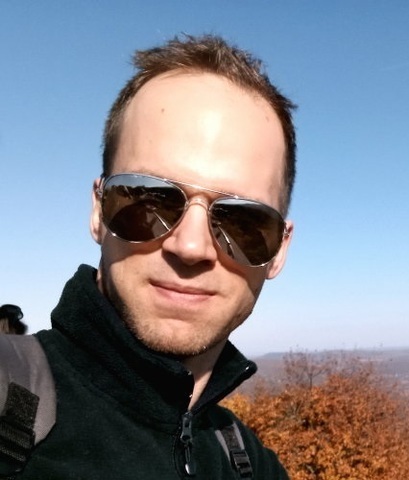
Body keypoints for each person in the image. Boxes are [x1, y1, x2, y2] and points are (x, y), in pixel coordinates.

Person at [13, 34, 296, 479]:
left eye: (243, 220)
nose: (191, 247)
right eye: (149, 201)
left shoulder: (248, 462)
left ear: (279, 250)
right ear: (98, 211)